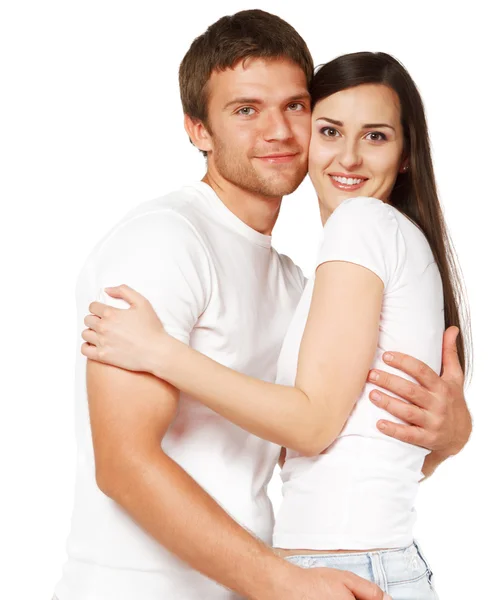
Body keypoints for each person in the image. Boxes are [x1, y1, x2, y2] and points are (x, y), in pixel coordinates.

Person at [55, 10, 471, 600]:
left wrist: (449, 437)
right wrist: (281, 582)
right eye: (246, 110)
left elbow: (325, 453)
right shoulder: (164, 241)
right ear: (198, 129)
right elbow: (123, 464)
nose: (278, 131)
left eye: (295, 106)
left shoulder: (297, 282)